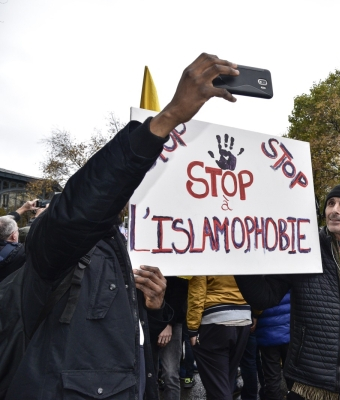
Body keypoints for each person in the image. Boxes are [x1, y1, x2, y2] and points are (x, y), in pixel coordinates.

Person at [5, 52, 241, 399]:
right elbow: (82, 208)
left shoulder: (121, 249)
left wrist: (156, 308)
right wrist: (168, 118)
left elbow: (128, 340)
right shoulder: (55, 243)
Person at [235, 181, 340, 399]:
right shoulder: (303, 249)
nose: (335, 210)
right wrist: (239, 262)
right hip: (308, 384)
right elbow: (265, 297)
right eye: (331, 203)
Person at [187, 275, 251, 399]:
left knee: (218, 386)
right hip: (243, 318)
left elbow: (197, 290)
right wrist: (256, 312)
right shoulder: (243, 255)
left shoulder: (205, 255)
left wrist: (192, 328)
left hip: (215, 319)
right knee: (226, 380)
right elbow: (255, 283)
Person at [255, 291, 292, 400]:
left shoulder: (261, 276)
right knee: (293, 376)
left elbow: (257, 301)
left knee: (272, 378)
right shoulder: (288, 275)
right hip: (288, 329)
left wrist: (255, 315)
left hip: (267, 331)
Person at [0, 200, 44, 282]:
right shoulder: (20, 254)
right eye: (18, 230)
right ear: (14, 236)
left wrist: (24, 208)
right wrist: (37, 218)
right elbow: (30, 236)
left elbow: (3, 223)